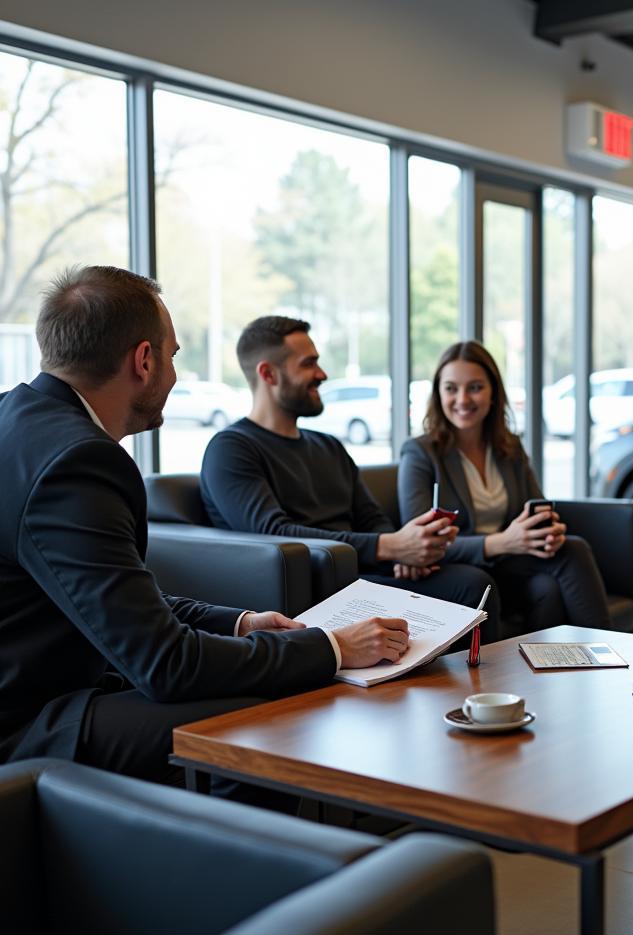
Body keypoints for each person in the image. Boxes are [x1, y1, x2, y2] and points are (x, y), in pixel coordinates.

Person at [0, 266, 409, 794]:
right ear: (143, 361)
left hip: (35, 683)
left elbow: (115, 600)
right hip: (28, 722)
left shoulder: (17, 417)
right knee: (264, 719)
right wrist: (331, 647)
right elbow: (166, 664)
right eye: (172, 356)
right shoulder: (78, 462)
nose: (174, 374)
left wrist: (240, 623)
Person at [200, 317, 499, 636]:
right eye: (309, 364)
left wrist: (403, 555)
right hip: (316, 591)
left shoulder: (327, 445)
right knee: (469, 586)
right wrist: (389, 547)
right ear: (268, 374)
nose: (322, 374)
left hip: (366, 578)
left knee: (474, 583)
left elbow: (372, 519)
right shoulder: (231, 449)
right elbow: (273, 531)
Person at [398, 340, 611, 633]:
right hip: (461, 570)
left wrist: (548, 532)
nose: (462, 399)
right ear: (438, 394)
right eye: (451, 388)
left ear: (493, 393)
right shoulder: (420, 453)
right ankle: (610, 657)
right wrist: (501, 542)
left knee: (564, 556)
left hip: (509, 565)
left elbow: (537, 510)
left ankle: (577, 667)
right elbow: (417, 544)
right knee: (555, 573)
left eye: (474, 387)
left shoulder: (509, 448)